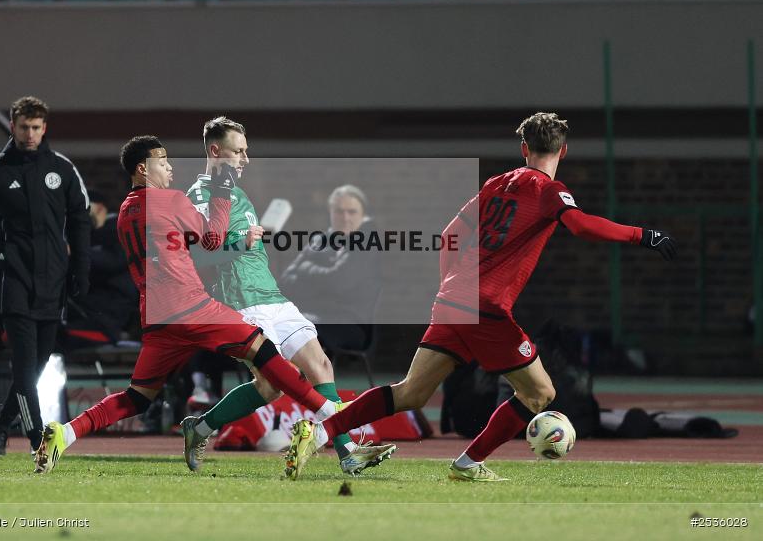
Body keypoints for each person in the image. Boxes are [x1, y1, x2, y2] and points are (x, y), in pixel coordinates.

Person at [285, 112, 677, 481]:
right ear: (564, 151)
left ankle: (318, 433)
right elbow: (581, 226)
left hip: (454, 299)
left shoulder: (494, 184)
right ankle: (469, 462)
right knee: (541, 393)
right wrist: (644, 235)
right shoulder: (550, 191)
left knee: (411, 392)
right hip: (486, 308)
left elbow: (448, 235)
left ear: (524, 148)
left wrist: (448, 286)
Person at [33, 136, 342, 474]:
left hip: (157, 319)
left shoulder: (124, 211)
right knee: (265, 352)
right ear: (142, 168)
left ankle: (66, 432)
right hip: (192, 307)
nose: (170, 167)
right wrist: (223, 195)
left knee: (137, 397)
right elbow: (211, 240)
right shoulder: (172, 200)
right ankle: (331, 413)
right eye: (162, 162)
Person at [180, 117, 395, 475]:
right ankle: (201, 427)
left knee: (320, 365)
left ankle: (347, 455)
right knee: (272, 385)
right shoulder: (198, 199)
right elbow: (197, 257)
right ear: (215, 152)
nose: (245, 160)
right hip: (240, 302)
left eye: (247, 151)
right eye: (238, 152)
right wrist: (241, 242)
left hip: (272, 297)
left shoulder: (238, 193)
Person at [0, 96, 92, 457]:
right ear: (12, 126)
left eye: (35, 128)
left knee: (38, 365)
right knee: (25, 364)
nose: (29, 134)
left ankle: (0, 425)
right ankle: (37, 440)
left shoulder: (62, 169)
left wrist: (81, 270)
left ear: (44, 128)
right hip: (13, 280)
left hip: (53, 281)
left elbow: (80, 221)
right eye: (23, 127)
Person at [281, 184, 382, 354]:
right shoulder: (318, 241)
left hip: (349, 324)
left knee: (299, 330)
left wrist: (305, 268)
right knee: (270, 327)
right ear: (330, 213)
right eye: (339, 211)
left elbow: (340, 282)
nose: (345, 217)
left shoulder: (366, 245)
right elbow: (285, 282)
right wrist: (324, 282)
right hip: (312, 314)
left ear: (363, 215)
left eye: (352, 212)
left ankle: (306, 379)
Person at [64, 188, 138, 347]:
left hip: (110, 309)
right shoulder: (87, 235)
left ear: (99, 208)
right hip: (88, 307)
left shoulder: (122, 229)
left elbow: (114, 261)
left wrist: (75, 252)